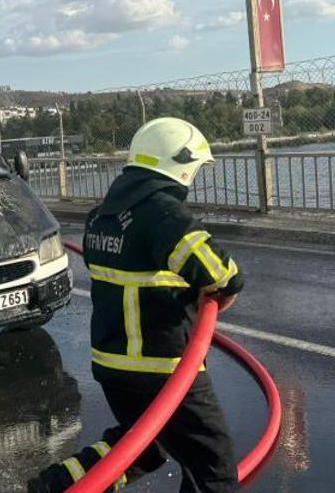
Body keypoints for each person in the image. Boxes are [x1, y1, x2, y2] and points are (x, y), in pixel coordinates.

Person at [28, 117, 244, 493]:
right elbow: (220, 273)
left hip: (113, 366)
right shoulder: (163, 213)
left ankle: (58, 484)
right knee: (214, 467)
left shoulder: (101, 216)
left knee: (142, 447)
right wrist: (220, 292)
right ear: (181, 164)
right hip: (165, 369)